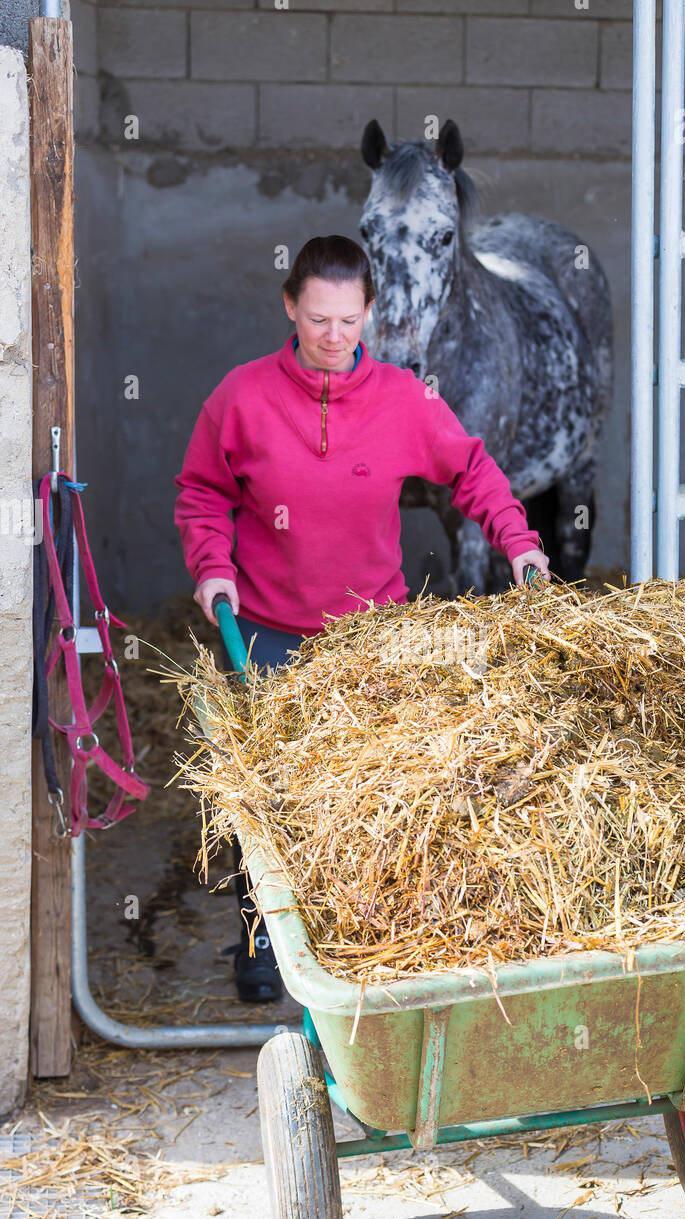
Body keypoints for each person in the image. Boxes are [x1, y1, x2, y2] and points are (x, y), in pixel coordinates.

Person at [174, 234, 549, 1002]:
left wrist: (519, 544)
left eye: (349, 320)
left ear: (371, 312)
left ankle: (364, 941)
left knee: (372, 796)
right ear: (290, 308)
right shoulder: (241, 398)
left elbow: (471, 469)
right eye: (318, 319)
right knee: (268, 796)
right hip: (269, 634)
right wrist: (212, 569)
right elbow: (202, 492)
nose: (335, 336)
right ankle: (261, 945)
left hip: (372, 638)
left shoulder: (404, 399)